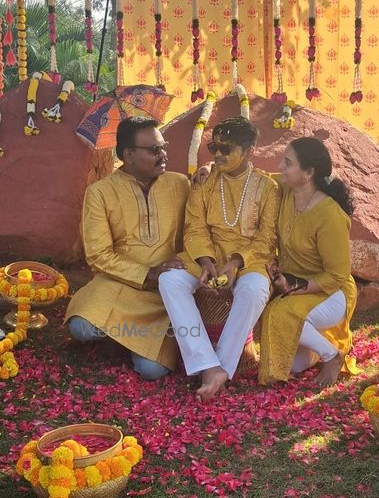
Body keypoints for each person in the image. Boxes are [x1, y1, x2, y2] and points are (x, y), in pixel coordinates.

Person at [159, 116, 281, 401]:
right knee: (170, 281)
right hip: (206, 254)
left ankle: (218, 368)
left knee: (254, 290)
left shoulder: (267, 188)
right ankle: (207, 363)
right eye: (214, 147)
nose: (217, 154)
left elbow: (267, 238)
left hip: (249, 259)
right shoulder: (205, 181)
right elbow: (194, 227)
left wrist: (236, 263)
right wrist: (205, 261)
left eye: (227, 149)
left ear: (250, 151)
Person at [65, 117, 190, 380]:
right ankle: (121, 338)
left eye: (164, 147)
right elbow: (98, 255)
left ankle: (121, 339)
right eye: (155, 150)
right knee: (81, 327)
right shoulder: (100, 192)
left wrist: (209, 174)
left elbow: (198, 231)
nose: (164, 155)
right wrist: (147, 273)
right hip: (119, 285)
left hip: (163, 291)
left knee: (151, 371)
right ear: (129, 155)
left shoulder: (181, 184)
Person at [258, 137, 357, 387]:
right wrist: (209, 168)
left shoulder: (330, 215)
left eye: (288, 163)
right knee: (291, 365)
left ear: (309, 172)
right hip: (294, 286)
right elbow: (257, 177)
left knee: (278, 312)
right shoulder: (286, 191)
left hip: (332, 292)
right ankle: (316, 349)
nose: (280, 167)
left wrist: (295, 286)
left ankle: (332, 355)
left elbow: (337, 275)